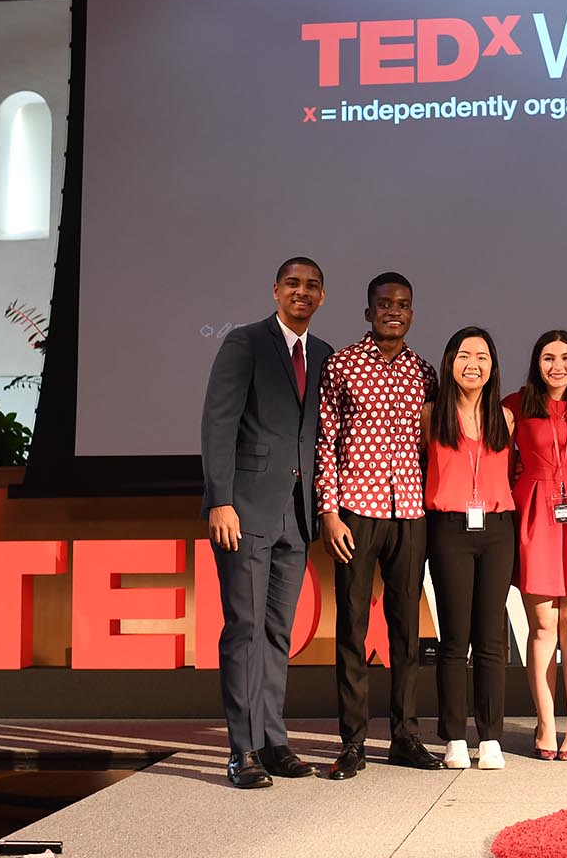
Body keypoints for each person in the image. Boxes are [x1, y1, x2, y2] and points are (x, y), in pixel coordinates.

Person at [201, 257, 331, 789]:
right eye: (293, 284)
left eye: (313, 286)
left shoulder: (323, 354)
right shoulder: (245, 342)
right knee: (244, 629)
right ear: (276, 290)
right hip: (246, 508)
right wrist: (220, 501)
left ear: (322, 297)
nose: (302, 293)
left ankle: (275, 741)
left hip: (296, 515)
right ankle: (242, 749)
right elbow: (218, 422)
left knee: (279, 631)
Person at [315, 272, 443, 779]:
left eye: (404, 304)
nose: (394, 310)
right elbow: (326, 441)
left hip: (410, 512)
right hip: (355, 512)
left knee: (406, 633)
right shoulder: (341, 365)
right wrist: (328, 511)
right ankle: (353, 742)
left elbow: (433, 449)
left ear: (412, 313)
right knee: (352, 628)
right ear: (368, 312)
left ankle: (406, 736)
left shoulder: (425, 371)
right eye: (385, 304)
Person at [502, 330, 567, 761]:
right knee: (543, 625)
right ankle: (545, 721)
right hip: (534, 512)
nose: (556, 365)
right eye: (547, 357)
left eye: (565, 357)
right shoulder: (514, 405)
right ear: (536, 364)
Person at [423, 327, 517, 771]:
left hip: (497, 530)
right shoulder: (430, 416)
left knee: (491, 638)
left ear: (493, 367)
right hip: (449, 529)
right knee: (454, 637)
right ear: (449, 363)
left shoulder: (506, 418)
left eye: (482, 356)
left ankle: (492, 736)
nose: (472, 364)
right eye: (464, 355)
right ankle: (455, 736)